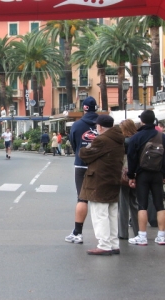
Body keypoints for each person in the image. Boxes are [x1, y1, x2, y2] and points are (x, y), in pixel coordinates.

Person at [79, 115, 124, 255]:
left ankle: (104, 245)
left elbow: (85, 154)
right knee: (111, 213)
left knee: (100, 213)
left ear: (100, 127)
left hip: (99, 181)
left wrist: (87, 146)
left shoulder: (102, 140)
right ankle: (113, 243)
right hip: (113, 179)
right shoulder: (118, 139)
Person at [127, 110, 165, 246]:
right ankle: (162, 236)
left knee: (142, 205)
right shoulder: (162, 136)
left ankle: (142, 236)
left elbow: (131, 158)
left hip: (142, 174)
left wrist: (131, 176)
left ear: (142, 121)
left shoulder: (136, 137)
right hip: (158, 174)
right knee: (160, 205)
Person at [65, 96, 98, 244]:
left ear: (83, 108)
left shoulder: (77, 126)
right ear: (95, 108)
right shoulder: (103, 123)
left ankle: (78, 233)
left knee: (82, 198)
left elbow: (73, 143)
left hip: (81, 164)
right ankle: (104, 235)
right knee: (102, 199)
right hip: (101, 165)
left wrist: (80, 151)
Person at [118, 119, 139, 240]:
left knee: (123, 204)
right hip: (137, 174)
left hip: (124, 175)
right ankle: (138, 232)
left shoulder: (123, 142)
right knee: (135, 204)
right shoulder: (139, 139)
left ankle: (123, 232)